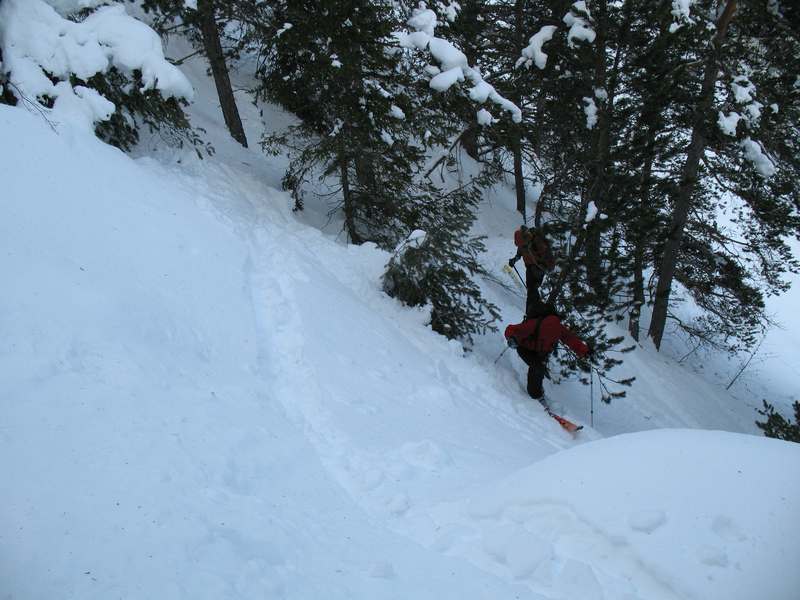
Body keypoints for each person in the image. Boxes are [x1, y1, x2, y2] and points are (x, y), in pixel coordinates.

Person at [504, 301, 591, 404]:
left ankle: (538, 393)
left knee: (539, 368)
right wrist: (512, 338)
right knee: (537, 368)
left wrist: (585, 351)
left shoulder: (555, 327)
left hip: (538, 352)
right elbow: (511, 329)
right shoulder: (539, 324)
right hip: (525, 349)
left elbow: (571, 340)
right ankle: (536, 396)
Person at [508, 225, 556, 315]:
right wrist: (514, 260)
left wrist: (543, 268)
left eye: (523, 244)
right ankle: (532, 310)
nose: (522, 246)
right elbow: (519, 253)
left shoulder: (537, 242)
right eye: (521, 245)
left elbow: (546, 257)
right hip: (530, 267)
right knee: (531, 288)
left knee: (532, 288)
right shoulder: (523, 243)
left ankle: (532, 311)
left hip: (539, 268)